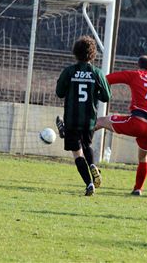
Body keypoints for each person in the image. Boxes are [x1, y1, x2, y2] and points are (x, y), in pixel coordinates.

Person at [94, 55, 147, 196]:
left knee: (100, 121)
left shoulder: (134, 75)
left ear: (138, 65)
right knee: (143, 158)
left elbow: (107, 79)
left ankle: (77, 141)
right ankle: (138, 189)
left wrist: (97, 91)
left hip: (136, 122)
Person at [55, 36, 111, 196]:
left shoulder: (69, 71)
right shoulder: (96, 73)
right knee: (86, 146)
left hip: (71, 120)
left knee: (77, 153)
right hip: (89, 120)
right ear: (92, 54)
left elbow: (59, 93)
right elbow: (106, 96)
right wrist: (94, 93)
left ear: (75, 53)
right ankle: (93, 164)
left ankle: (89, 184)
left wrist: (70, 89)